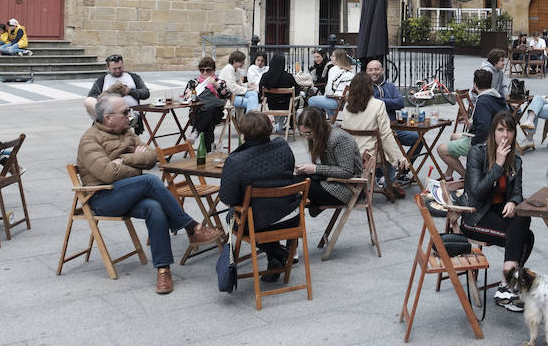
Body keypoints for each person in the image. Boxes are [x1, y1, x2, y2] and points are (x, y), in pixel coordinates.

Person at [75, 94, 220, 293]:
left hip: (129, 191)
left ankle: (163, 270)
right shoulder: (89, 140)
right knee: (149, 180)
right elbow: (108, 174)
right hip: (103, 198)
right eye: (125, 112)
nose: (130, 115)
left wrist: (125, 160)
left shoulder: (127, 133)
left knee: (155, 207)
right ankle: (191, 227)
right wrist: (136, 161)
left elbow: (152, 157)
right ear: (108, 118)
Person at [460, 111, 535, 312]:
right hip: (475, 217)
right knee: (525, 238)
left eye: (509, 130)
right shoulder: (477, 153)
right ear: (493, 132)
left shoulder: (516, 161)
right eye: (500, 129)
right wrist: (498, 165)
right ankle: (508, 286)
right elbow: (475, 192)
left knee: (523, 219)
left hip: (499, 214)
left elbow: (518, 193)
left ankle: (505, 286)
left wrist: (512, 201)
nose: (505, 135)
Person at [217, 111, 300, 279]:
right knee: (263, 210)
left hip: (259, 223)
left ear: (243, 132)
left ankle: (277, 253)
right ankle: (276, 257)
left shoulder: (236, 161)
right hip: (292, 216)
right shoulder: (282, 146)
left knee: (233, 217)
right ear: (269, 128)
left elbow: (227, 198)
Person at [336, 72, 409, 200]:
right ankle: (387, 183)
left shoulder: (348, 105)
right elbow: (386, 134)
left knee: (387, 151)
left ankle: (377, 181)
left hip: (351, 151)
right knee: (390, 155)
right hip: (369, 153)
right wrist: (400, 157)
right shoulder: (378, 104)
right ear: (370, 87)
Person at [294, 106, 364, 213]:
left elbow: (347, 172)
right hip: (334, 182)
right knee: (296, 180)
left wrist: (315, 169)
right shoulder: (324, 135)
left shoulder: (340, 139)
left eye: (308, 133)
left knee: (296, 184)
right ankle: (309, 209)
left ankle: (294, 222)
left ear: (318, 128)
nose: (306, 137)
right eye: (302, 133)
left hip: (347, 189)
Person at [443, 67, 507, 179]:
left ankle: (467, 176)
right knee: (454, 137)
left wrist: (473, 143)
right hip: (497, 138)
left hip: (486, 142)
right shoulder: (496, 97)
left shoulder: (483, 101)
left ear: (475, 85)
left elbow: (484, 128)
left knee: (441, 149)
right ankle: (449, 174)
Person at [365, 58, 418, 160]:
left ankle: (403, 171)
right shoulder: (364, 87)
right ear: (366, 71)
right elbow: (366, 105)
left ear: (382, 70)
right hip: (374, 129)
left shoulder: (390, 86)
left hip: (394, 127)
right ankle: (380, 173)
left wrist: (378, 101)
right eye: (370, 70)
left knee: (418, 139)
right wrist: (390, 102)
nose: (373, 72)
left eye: (376, 69)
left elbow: (400, 103)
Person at [84, 54, 150, 121]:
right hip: (109, 114)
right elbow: (92, 96)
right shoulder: (102, 80)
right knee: (88, 101)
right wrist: (109, 93)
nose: (118, 71)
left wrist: (130, 91)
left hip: (131, 113)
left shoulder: (133, 77)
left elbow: (146, 93)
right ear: (108, 67)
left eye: (120, 68)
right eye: (114, 69)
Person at [307, 49, 354, 113]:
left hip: (337, 101)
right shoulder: (350, 71)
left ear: (338, 58)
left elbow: (329, 92)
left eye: (332, 56)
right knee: (325, 98)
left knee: (311, 100)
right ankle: (331, 120)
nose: (330, 57)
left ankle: (325, 120)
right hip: (346, 101)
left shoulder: (334, 69)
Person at [217, 50, 261, 114]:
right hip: (229, 97)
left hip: (237, 94)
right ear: (234, 61)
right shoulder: (228, 69)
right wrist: (246, 90)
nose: (243, 64)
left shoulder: (237, 70)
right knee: (250, 102)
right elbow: (232, 87)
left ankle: (251, 118)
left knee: (253, 93)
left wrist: (248, 86)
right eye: (241, 62)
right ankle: (251, 119)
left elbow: (239, 84)